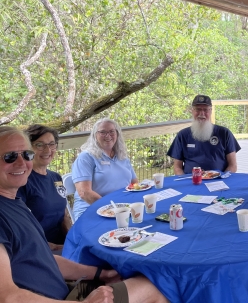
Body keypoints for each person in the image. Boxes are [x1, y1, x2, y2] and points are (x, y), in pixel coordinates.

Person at [0, 126, 168, 303]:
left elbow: (44, 258)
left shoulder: (15, 202)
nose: (21, 163)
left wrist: (100, 274)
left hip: (66, 289)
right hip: (66, 298)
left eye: (26, 155)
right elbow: (7, 296)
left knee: (146, 273)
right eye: (9, 157)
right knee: (158, 287)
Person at [17, 124, 71, 254]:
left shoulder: (55, 177)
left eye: (52, 144)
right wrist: (50, 247)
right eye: (40, 145)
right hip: (38, 248)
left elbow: (64, 215)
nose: (48, 150)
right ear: (28, 149)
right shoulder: (22, 180)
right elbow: (20, 226)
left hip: (63, 244)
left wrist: (72, 240)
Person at [72, 118, 138, 220]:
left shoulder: (122, 156)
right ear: (95, 135)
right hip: (92, 209)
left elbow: (134, 184)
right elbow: (84, 193)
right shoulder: (86, 157)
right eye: (103, 132)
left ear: (117, 134)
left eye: (112, 131)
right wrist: (111, 209)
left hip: (122, 208)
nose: (108, 135)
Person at [167, 95, 241, 175]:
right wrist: (185, 182)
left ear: (211, 111)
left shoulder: (224, 133)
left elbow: (233, 165)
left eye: (205, 110)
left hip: (218, 181)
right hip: (191, 181)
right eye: (198, 109)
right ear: (192, 111)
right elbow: (177, 167)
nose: (202, 114)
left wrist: (223, 179)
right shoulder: (182, 135)